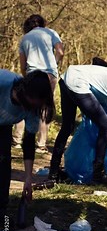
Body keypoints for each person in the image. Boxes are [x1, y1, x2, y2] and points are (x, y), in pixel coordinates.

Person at [0, 69, 54, 228]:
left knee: (3, 163)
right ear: (25, 92)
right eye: (33, 103)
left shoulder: (33, 109)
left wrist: (28, 179)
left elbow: (29, 142)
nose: (33, 108)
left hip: (3, 125)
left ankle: (1, 208)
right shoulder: (3, 81)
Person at [12, 14, 64, 153]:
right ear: (42, 23)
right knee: (45, 107)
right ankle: (41, 145)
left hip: (32, 74)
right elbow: (60, 52)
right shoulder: (51, 33)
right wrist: (53, 64)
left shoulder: (25, 38)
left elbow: (23, 65)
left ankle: (18, 140)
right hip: (49, 74)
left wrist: (26, 77)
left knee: (26, 105)